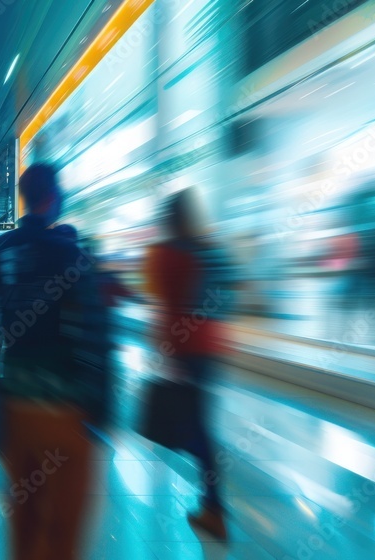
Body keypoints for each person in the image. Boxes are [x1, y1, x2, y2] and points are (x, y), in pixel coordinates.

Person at [0, 164, 110, 560]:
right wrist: (102, 406)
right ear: (54, 196)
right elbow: (97, 332)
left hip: (15, 408)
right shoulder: (73, 254)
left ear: (25, 197)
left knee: (24, 516)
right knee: (64, 528)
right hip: (66, 410)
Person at [143, 189, 228, 539]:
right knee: (200, 422)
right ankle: (212, 504)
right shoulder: (211, 251)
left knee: (194, 428)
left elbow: (160, 301)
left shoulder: (163, 254)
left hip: (183, 347)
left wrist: (165, 346)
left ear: (169, 219)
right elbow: (223, 296)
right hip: (210, 346)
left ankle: (215, 507)